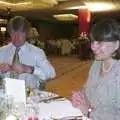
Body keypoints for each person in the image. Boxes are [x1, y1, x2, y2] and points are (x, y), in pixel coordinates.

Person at [72, 18, 120, 120]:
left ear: (116, 44)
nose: (93, 47)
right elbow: (87, 87)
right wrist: (80, 94)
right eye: (93, 41)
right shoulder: (97, 63)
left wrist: (89, 111)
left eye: (100, 42)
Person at [0, 16, 56, 89]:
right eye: (13, 33)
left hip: (29, 96)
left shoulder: (37, 52)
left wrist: (28, 69)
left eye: (20, 33)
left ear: (26, 34)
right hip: (6, 94)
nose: (16, 38)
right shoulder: (2, 51)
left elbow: (51, 74)